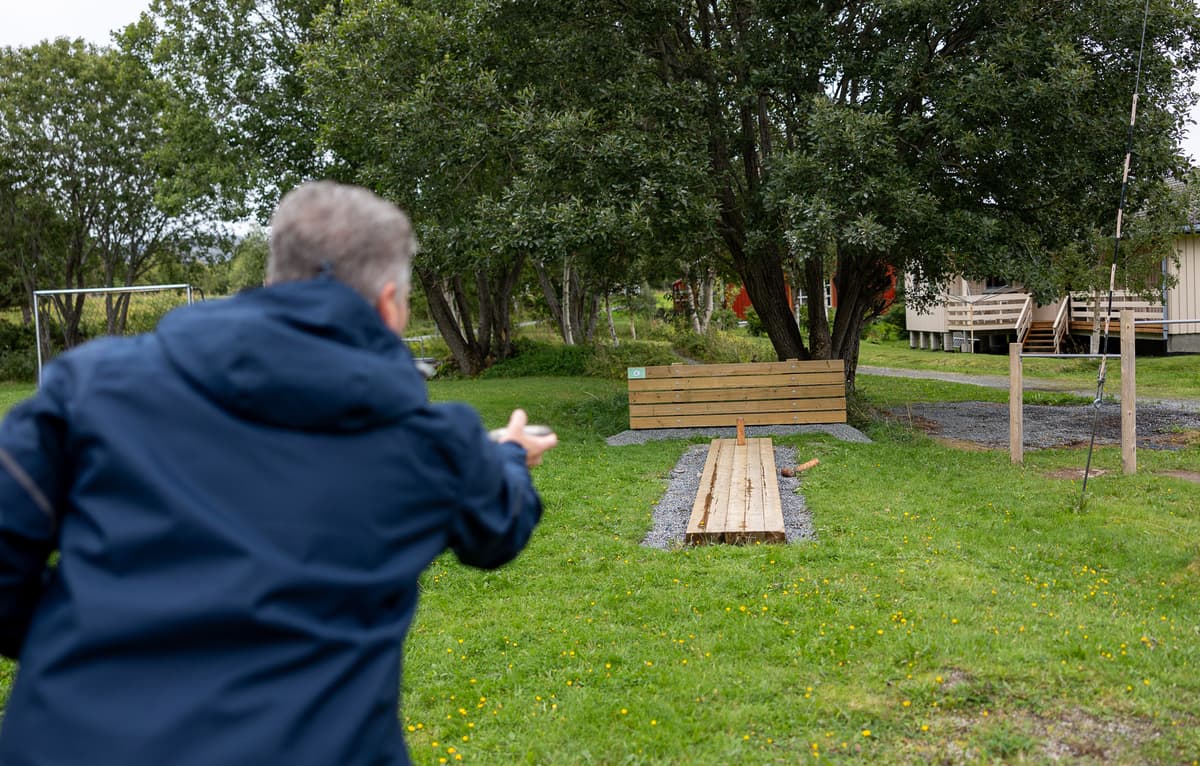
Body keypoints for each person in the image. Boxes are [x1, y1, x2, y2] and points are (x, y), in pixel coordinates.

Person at [0, 180, 556, 765]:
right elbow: (500, 522)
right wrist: (509, 455)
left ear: (274, 280)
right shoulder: (433, 444)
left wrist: (73, 642)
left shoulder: (90, 385)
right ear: (389, 302)